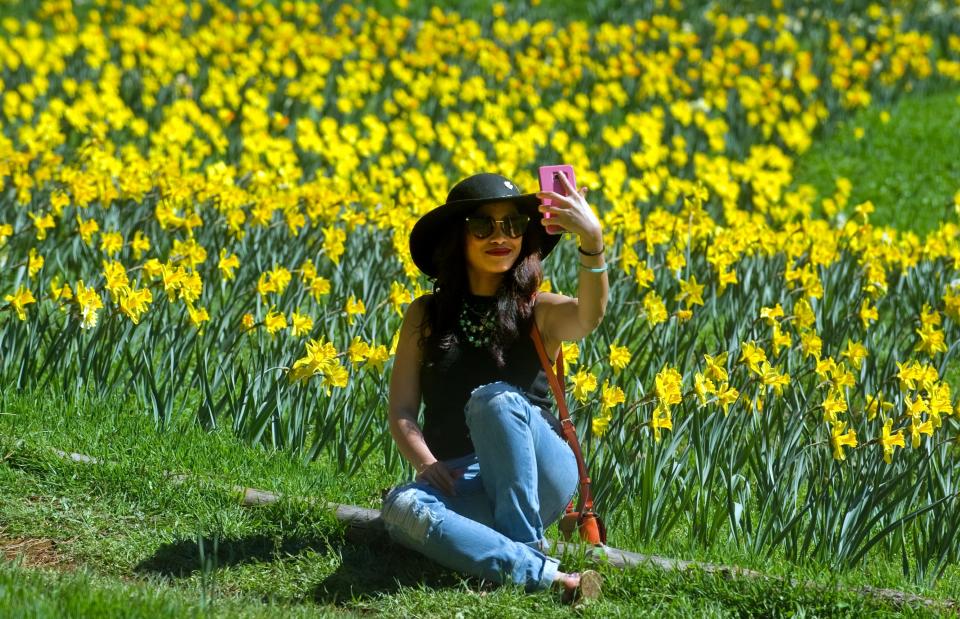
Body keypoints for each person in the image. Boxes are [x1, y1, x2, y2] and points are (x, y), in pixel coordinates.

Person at [381, 171, 608, 599]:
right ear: (457, 238)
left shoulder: (538, 310)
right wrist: (427, 464)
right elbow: (402, 410)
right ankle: (544, 577)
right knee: (401, 507)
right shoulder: (424, 315)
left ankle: (525, 548)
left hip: (542, 471)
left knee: (494, 400)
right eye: (483, 225)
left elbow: (588, 316)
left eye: (513, 225)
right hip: (463, 477)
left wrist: (591, 241)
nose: (499, 236)